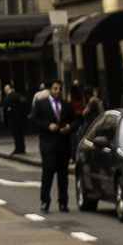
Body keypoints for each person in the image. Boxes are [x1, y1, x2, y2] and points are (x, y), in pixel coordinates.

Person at [30, 77, 75, 213]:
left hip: (63, 144)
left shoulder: (66, 105)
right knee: (48, 171)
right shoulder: (41, 104)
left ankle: (63, 202)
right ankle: (45, 201)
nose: (58, 91)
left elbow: (76, 120)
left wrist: (69, 127)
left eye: (60, 89)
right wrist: (47, 126)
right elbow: (32, 119)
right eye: (55, 89)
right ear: (50, 89)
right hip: (47, 143)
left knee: (63, 174)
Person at [2, 82, 28, 155]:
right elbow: (25, 104)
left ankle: (18, 149)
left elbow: (5, 109)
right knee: (21, 133)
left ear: (6, 91)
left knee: (16, 134)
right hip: (21, 118)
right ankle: (22, 148)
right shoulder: (18, 95)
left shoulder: (7, 98)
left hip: (13, 118)